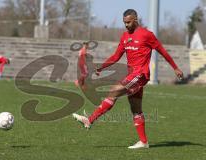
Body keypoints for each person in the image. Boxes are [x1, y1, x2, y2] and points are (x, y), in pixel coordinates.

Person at [72, 9, 184, 149]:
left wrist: (175, 67)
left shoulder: (146, 35)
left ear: (136, 19)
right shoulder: (125, 36)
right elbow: (116, 56)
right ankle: (143, 142)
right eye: (124, 22)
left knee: (113, 91)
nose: (126, 25)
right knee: (136, 109)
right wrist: (101, 67)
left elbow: (162, 51)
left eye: (128, 22)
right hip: (131, 74)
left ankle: (89, 120)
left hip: (140, 74)